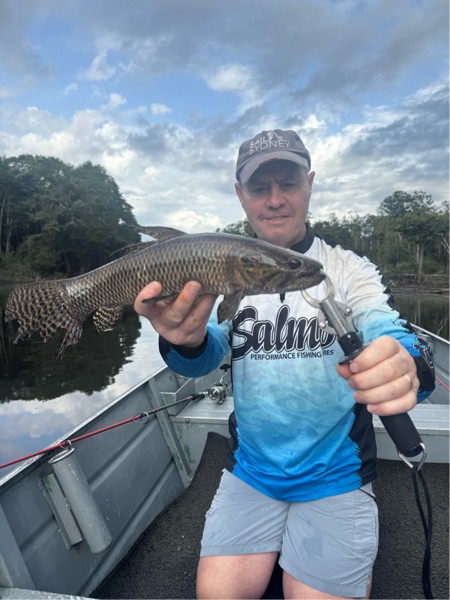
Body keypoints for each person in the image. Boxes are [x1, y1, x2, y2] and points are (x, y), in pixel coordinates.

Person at [134, 129, 435, 599]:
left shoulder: (350, 269)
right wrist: (184, 342)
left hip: (336, 476)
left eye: (288, 183)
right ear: (241, 195)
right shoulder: (219, 266)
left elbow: (390, 330)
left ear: (309, 184)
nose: (275, 200)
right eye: (260, 187)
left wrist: (406, 365)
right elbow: (205, 357)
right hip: (251, 472)